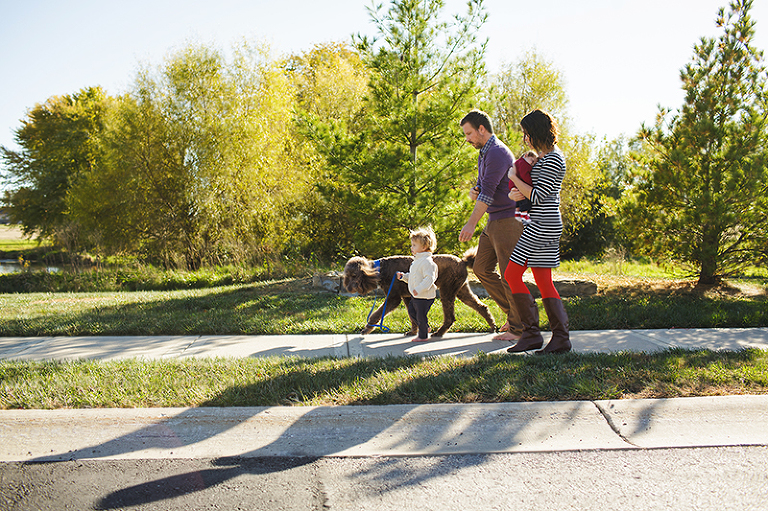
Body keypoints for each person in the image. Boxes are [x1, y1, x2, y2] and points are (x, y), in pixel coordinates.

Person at [505, 109, 571, 354]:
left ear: (536, 132)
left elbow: (539, 195)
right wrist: (516, 193)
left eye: (526, 133)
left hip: (543, 225)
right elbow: (534, 193)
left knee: (513, 274)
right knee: (542, 280)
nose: (525, 138)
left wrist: (513, 177)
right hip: (541, 221)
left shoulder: (553, 158)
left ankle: (539, 333)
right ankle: (545, 336)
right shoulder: (545, 157)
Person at [459, 109, 524, 342]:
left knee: (509, 275)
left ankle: (519, 328)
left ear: (482, 129)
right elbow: (482, 189)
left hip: (507, 220)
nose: (467, 139)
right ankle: (516, 315)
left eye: (469, 133)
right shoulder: (484, 153)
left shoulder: (496, 153)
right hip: (494, 220)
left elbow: (486, 196)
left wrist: (470, 225)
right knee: (481, 268)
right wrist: (472, 192)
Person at [397, 226, 439, 342]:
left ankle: (423, 336)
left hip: (424, 296)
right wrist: (404, 277)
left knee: (420, 315)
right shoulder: (417, 261)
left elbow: (428, 279)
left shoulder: (427, 262)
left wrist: (419, 289)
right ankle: (425, 327)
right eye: (412, 245)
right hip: (417, 295)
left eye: (414, 245)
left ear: (424, 247)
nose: (411, 247)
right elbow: (414, 277)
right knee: (412, 312)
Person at [509, 151, 538, 224]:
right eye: (532, 161)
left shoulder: (518, 162)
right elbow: (525, 176)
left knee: (518, 200)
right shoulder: (524, 164)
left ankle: (517, 213)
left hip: (512, 185)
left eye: (534, 163)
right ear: (526, 155)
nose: (532, 164)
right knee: (525, 198)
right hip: (517, 185)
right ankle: (524, 214)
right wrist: (530, 185)